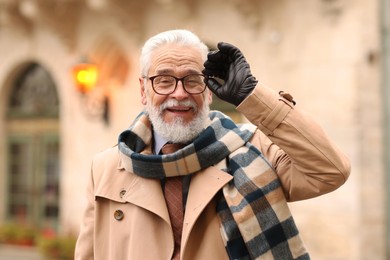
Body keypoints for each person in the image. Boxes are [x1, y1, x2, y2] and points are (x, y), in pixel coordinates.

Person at [74, 29, 350, 260]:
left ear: (208, 90)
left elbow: (330, 171)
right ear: (143, 90)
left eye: (193, 80)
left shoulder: (252, 150)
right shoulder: (105, 168)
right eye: (164, 81)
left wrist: (252, 96)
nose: (179, 94)